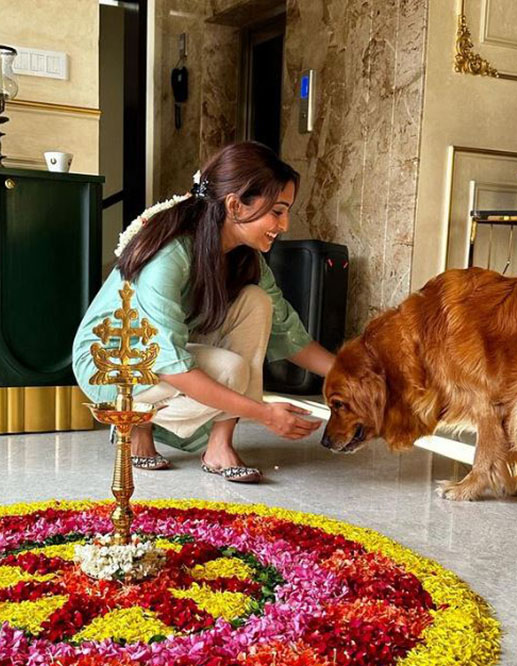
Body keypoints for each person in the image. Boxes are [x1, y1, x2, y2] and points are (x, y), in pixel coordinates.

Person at [73, 141, 335, 483]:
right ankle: (137, 425)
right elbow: (171, 364)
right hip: (111, 361)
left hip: (170, 350)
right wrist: (264, 413)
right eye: (277, 211)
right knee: (231, 369)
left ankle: (219, 447)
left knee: (257, 302)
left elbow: (289, 333)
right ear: (235, 205)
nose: (284, 225)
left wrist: (352, 376)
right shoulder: (170, 254)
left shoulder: (245, 258)